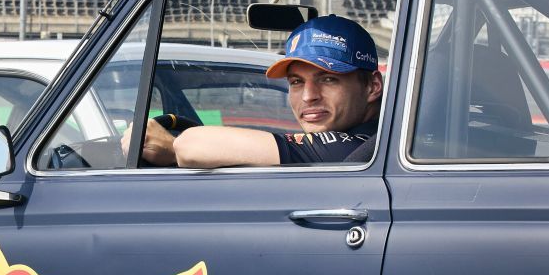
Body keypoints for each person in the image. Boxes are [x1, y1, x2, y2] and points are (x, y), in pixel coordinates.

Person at [128, 15, 383, 168]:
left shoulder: (357, 147)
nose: (308, 96)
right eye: (296, 82)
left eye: (328, 79)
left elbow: (189, 146)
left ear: (372, 86)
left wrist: (170, 146)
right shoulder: (384, 139)